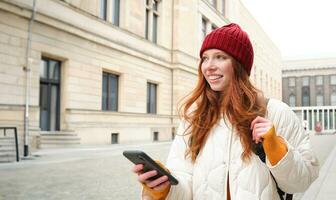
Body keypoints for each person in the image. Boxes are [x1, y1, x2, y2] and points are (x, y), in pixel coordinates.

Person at [131, 23, 319, 200]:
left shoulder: (275, 112)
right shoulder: (194, 118)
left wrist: (275, 147)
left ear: (239, 65)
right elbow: (184, 185)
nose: (209, 66)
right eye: (205, 58)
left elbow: (300, 182)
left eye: (220, 57)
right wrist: (164, 188)